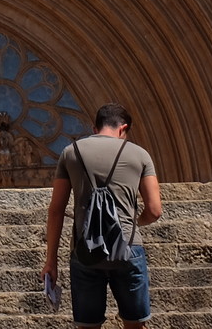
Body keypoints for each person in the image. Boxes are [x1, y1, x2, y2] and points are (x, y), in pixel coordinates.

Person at [41, 103, 163, 329]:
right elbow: (155, 210)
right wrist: (135, 223)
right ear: (123, 128)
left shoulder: (71, 152)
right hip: (128, 246)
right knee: (135, 325)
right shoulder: (140, 154)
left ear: (95, 128)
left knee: (88, 326)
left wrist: (51, 261)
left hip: (85, 249)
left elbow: (56, 210)